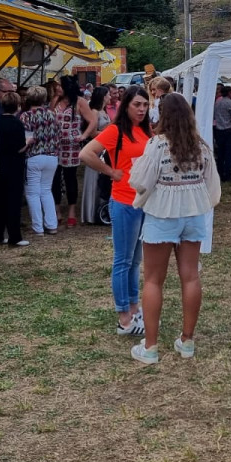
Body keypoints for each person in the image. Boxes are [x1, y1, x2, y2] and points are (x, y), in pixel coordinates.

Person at [124, 92, 222, 364]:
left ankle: (151, 347)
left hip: (162, 214)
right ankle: (187, 341)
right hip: (192, 215)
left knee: (154, 279)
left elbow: (141, 180)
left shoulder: (157, 145)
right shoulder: (201, 147)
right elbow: (212, 187)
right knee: (190, 276)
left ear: (163, 115)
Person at [80, 85, 152, 337]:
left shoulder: (145, 130)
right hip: (123, 202)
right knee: (123, 260)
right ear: (126, 106)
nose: (142, 109)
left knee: (135, 260)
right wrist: (110, 172)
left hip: (143, 203)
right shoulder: (115, 130)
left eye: (145, 105)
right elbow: (86, 153)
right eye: (137, 105)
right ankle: (124, 317)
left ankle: (133, 309)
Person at [54, 75, 97, 227]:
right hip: (55, 146)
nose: (57, 88)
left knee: (70, 178)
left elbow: (92, 120)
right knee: (55, 179)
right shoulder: (56, 101)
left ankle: (72, 211)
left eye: (60, 85)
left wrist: (84, 135)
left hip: (71, 147)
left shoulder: (80, 102)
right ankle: (57, 210)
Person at [0, 91, 29, 247]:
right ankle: (15, 236)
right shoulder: (17, 124)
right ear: (18, 106)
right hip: (14, 166)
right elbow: (20, 148)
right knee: (13, 202)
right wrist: (29, 142)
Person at [21, 87, 61, 236]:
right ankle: (52, 224)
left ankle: (38, 227)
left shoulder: (26, 116)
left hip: (33, 155)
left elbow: (25, 138)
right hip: (51, 156)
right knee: (46, 191)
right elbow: (58, 134)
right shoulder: (52, 114)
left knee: (32, 193)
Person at [80, 86, 112, 224]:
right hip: (96, 148)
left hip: (105, 148)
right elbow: (93, 133)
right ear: (103, 96)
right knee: (94, 177)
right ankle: (91, 212)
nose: (110, 97)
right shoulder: (94, 112)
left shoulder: (103, 111)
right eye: (108, 94)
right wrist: (109, 134)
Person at [212, 85, 231, 182]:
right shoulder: (230, 103)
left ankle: (220, 173)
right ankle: (228, 174)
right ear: (228, 93)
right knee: (229, 153)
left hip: (219, 130)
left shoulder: (217, 103)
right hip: (229, 130)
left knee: (221, 153)